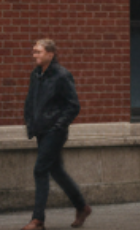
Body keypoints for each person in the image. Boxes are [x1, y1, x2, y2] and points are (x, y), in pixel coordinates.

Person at [23, 39, 89, 230]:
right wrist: (30, 122)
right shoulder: (35, 75)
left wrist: (58, 125)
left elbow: (73, 105)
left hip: (55, 131)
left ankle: (38, 220)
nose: (35, 55)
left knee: (40, 169)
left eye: (39, 52)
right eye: (34, 52)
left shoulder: (61, 75)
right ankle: (81, 206)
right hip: (40, 130)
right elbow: (31, 101)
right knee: (56, 171)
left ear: (50, 54)